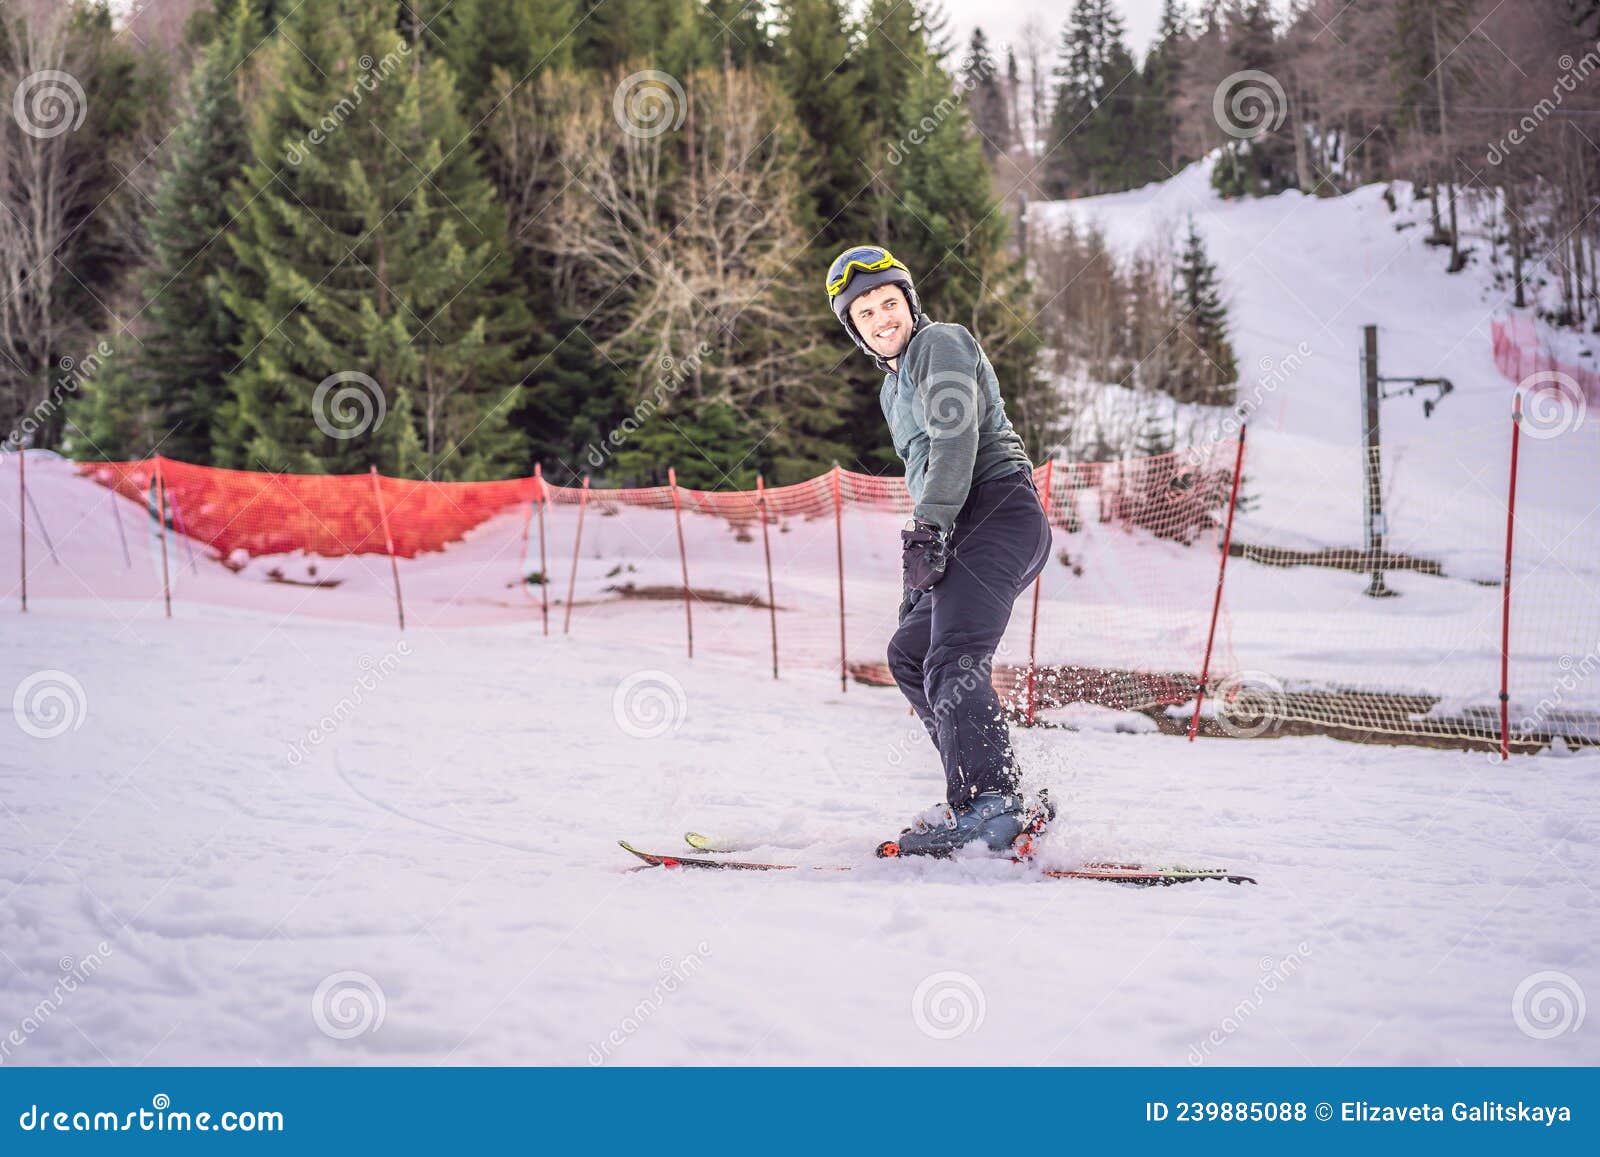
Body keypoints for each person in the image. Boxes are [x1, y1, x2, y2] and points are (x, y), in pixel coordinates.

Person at [825, 245, 1054, 856]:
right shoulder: (891, 388)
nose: (881, 319)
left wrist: (928, 530)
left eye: (889, 303)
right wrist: (916, 581)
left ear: (909, 302)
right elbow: (922, 472)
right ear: (855, 329)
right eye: (865, 313)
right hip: (961, 524)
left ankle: (992, 804)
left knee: (952, 658)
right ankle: (986, 795)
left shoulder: (940, 343)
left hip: (999, 509)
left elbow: (956, 441)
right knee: (911, 652)